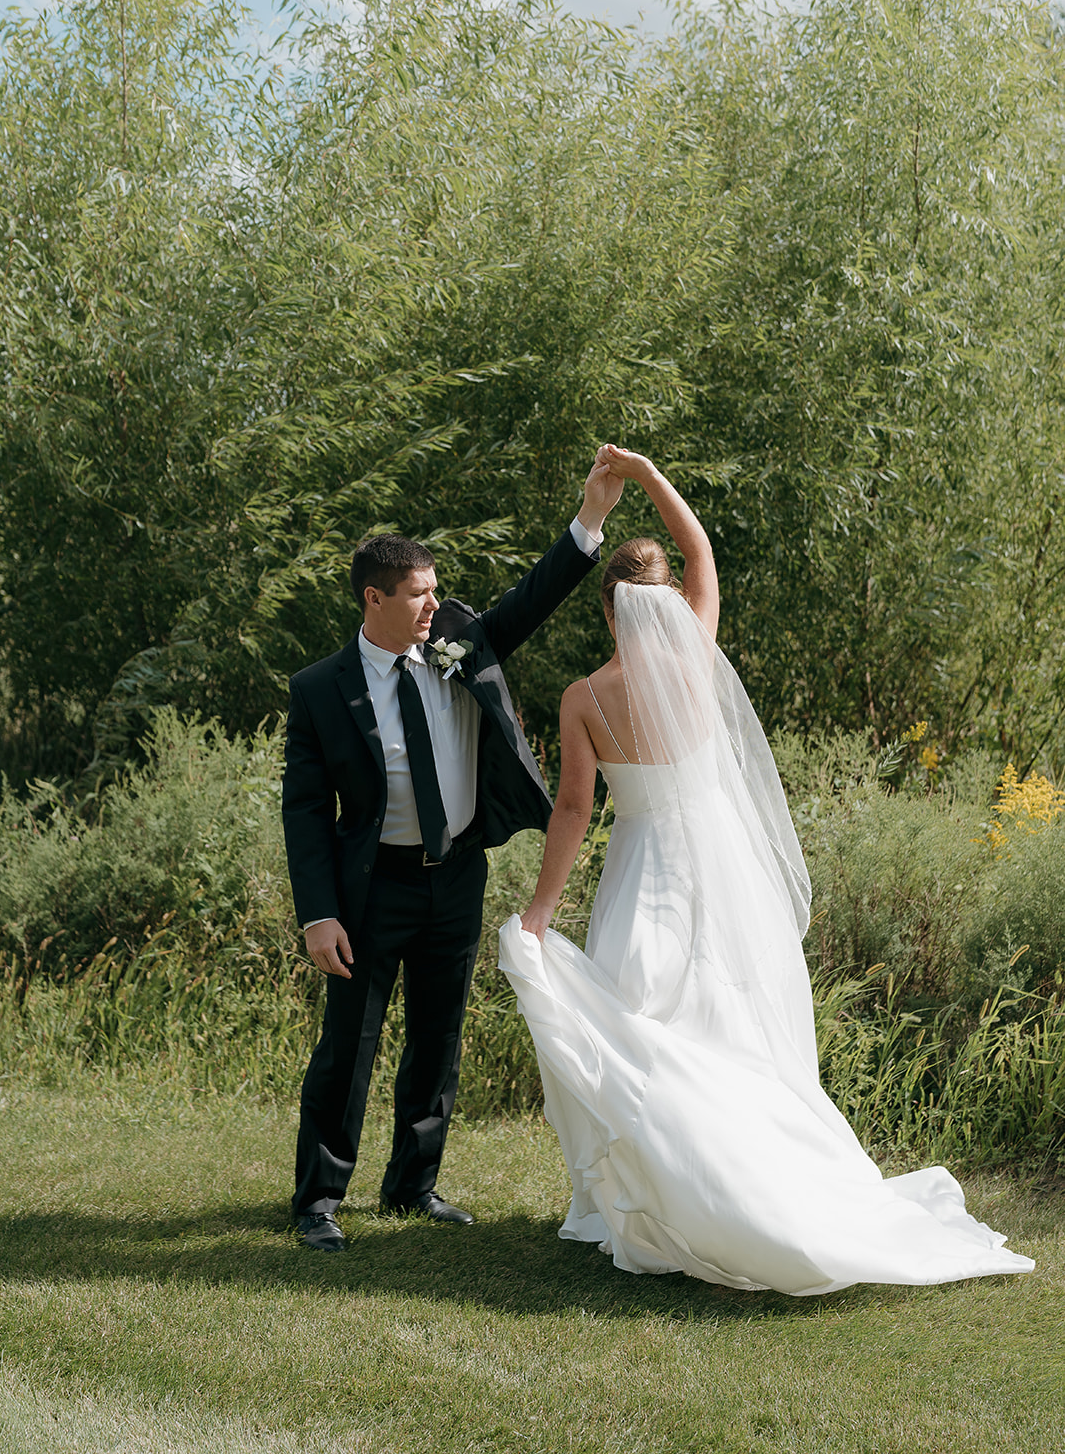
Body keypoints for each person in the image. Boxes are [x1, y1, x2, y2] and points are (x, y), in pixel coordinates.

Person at [499, 446, 1033, 1294]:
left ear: (608, 612)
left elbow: (572, 812)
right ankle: (740, 1194)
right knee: (734, 1031)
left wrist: (539, 912)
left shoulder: (584, 698)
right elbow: (702, 547)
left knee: (649, 1026)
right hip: (724, 869)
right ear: (670, 600)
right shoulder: (698, 659)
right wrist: (643, 474)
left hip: (642, 873)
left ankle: (670, 1206)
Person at [282, 451, 624, 1250]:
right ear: (375, 598)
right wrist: (319, 914)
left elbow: (529, 603)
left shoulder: (458, 641)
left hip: (455, 877)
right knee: (348, 1047)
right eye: (420, 592)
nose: (437, 601)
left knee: (437, 1039)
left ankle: (413, 1187)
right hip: (370, 890)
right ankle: (319, 1201)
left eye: (437, 587)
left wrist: (590, 521)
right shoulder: (319, 690)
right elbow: (304, 811)